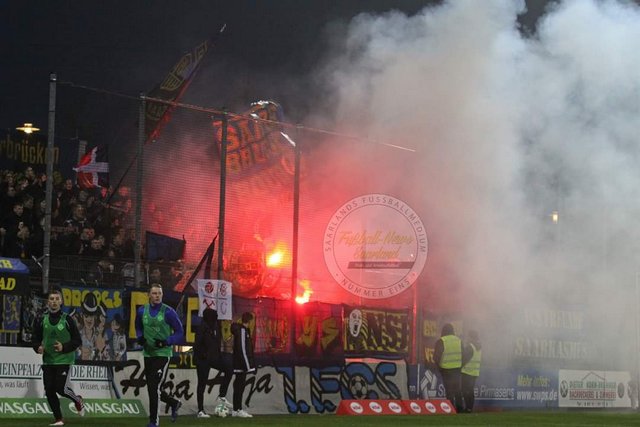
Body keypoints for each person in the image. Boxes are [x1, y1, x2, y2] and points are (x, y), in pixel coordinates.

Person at [32, 287, 85, 426]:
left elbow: (77, 341)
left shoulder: (67, 319)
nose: (54, 302)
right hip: (48, 361)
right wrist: (37, 347)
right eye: (51, 299)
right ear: (48, 302)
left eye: (57, 299)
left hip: (64, 359)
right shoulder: (41, 319)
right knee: (49, 390)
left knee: (60, 388)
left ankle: (78, 400)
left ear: (61, 302)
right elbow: (35, 338)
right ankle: (59, 419)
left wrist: (64, 347)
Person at [135, 283, 183, 427]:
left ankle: (153, 422)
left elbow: (180, 332)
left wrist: (167, 341)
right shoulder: (142, 311)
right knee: (152, 387)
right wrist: (140, 337)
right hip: (148, 354)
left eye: (160, 293)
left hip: (163, 354)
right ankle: (174, 403)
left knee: (153, 387)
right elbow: (137, 326)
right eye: (154, 293)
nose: (157, 296)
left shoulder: (168, 312)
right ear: (148, 295)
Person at [193, 308, 224, 418]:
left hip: (211, 359)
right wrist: (203, 355)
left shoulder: (214, 327)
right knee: (201, 383)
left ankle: (222, 396)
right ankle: (200, 410)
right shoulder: (202, 328)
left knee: (228, 369)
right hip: (202, 360)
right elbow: (197, 344)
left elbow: (216, 343)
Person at [230, 311, 256, 418]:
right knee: (239, 387)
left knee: (239, 386)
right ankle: (238, 409)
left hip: (240, 363)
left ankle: (236, 409)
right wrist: (247, 365)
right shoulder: (242, 331)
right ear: (249, 321)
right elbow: (242, 349)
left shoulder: (244, 331)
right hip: (241, 364)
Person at [433, 323, 463, 413]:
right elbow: (464, 355)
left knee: (449, 391)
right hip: (457, 369)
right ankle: (460, 409)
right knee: (457, 390)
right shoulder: (459, 340)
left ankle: (451, 409)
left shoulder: (441, 341)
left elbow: (436, 357)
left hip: (446, 370)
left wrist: (439, 368)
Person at [461, 330, 482, 413]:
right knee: (470, 391)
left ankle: (468, 408)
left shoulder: (470, 347)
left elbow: (464, 359)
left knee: (465, 390)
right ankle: (470, 408)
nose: (467, 338)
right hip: (474, 372)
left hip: (467, 372)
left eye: (468, 336)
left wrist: (459, 367)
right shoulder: (479, 347)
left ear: (471, 337)